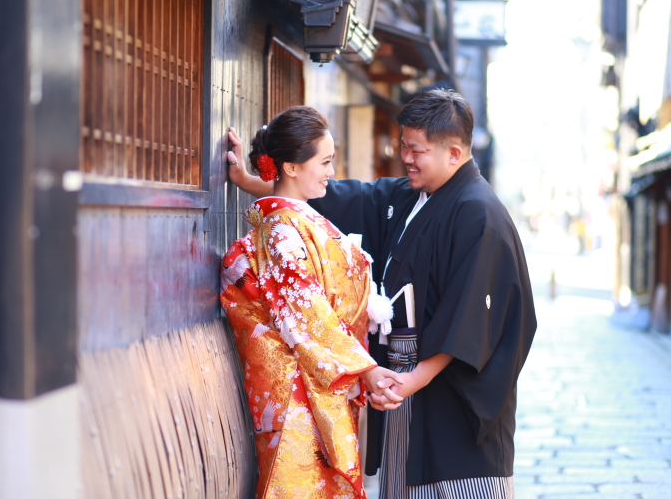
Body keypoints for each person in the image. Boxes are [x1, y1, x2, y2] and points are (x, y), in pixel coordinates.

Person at [226, 89, 537, 498]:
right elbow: (345, 198)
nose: (405, 157)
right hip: (399, 377)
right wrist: (254, 180)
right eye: (403, 145)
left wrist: (411, 380)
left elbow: (470, 318)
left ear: (454, 153)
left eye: (416, 150)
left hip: (441, 387)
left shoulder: (480, 214)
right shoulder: (414, 195)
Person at [220, 106, 406, 499]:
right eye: (324, 162)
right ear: (290, 167)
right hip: (296, 391)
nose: (330, 172)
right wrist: (366, 369)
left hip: (316, 380)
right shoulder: (282, 230)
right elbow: (307, 314)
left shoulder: (296, 220)